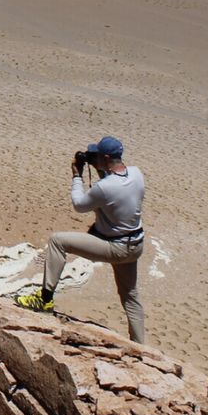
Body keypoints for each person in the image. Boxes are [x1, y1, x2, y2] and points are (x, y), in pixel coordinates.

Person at [16, 135, 147, 343]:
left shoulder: (104, 188)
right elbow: (116, 193)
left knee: (58, 241)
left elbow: (79, 204)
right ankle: (141, 347)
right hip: (135, 245)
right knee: (130, 296)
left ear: (103, 158)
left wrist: (77, 176)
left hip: (116, 247)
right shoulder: (137, 174)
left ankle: (45, 299)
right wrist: (100, 168)